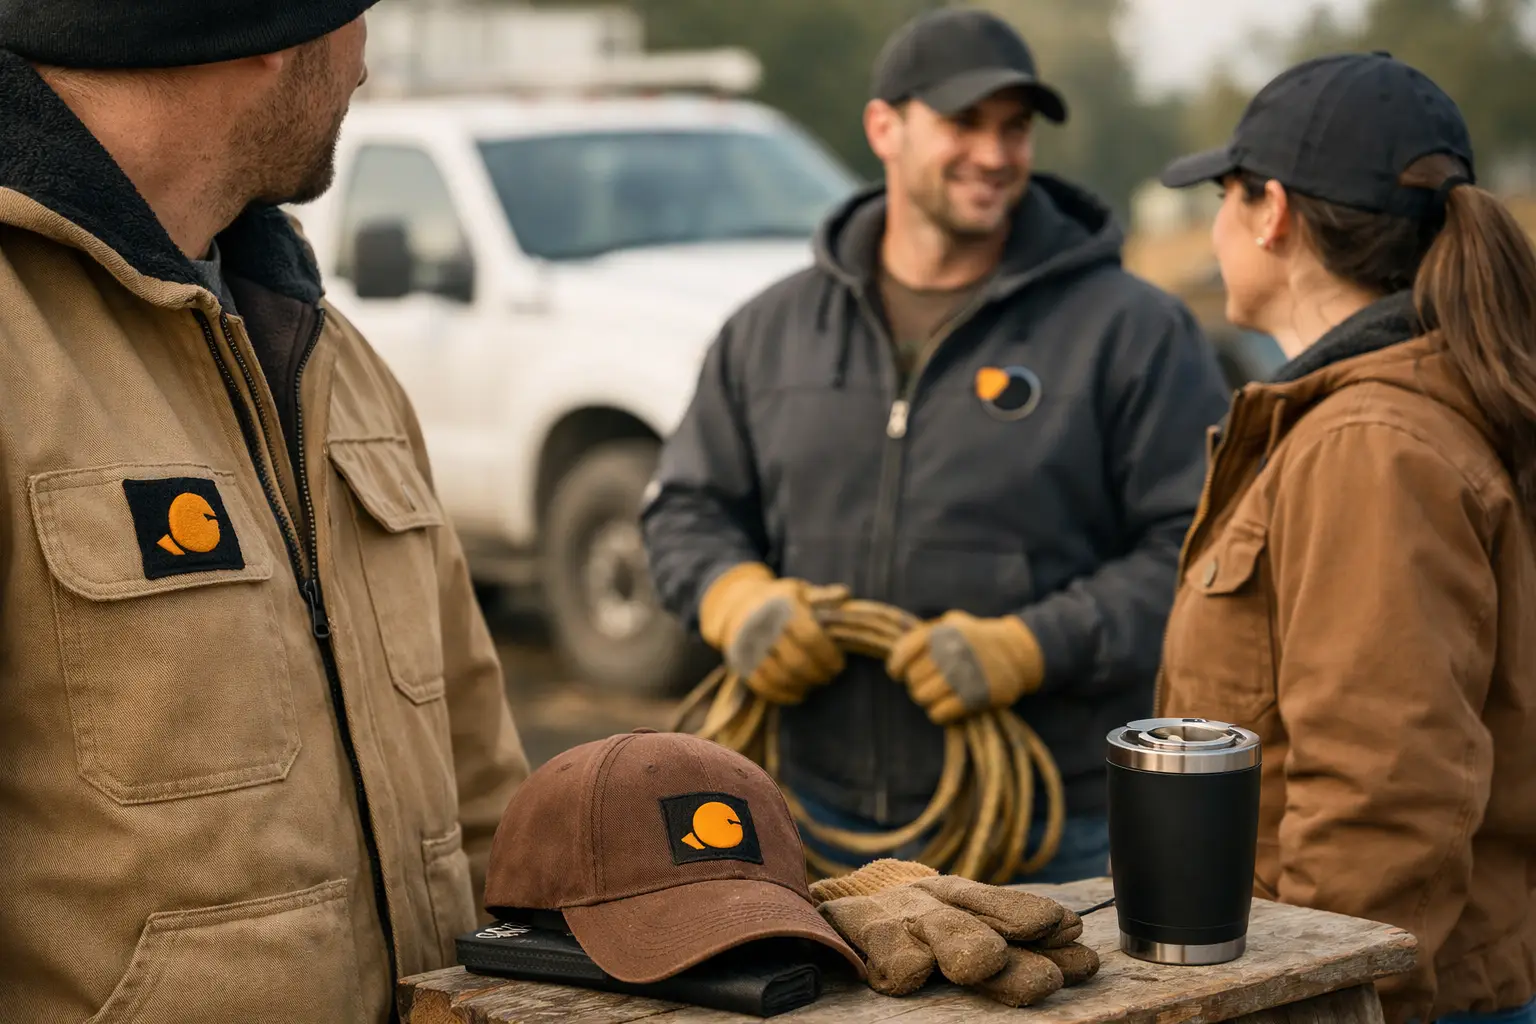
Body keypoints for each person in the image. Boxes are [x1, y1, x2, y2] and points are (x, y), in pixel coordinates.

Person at [0, 4, 528, 1021]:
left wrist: (718, 905)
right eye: (356, 15)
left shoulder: (343, 369)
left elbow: (489, 812)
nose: (365, 62)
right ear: (270, 29)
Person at [641, 7, 1229, 882]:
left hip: (1053, 832)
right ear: (885, 126)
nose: (995, 154)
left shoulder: (1132, 332)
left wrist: (1032, 646)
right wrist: (736, 601)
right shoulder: (770, 332)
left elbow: (1195, 552)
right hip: (810, 813)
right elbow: (686, 507)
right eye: (964, 123)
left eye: (1015, 128)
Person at [1155, 52, 1536, 1024]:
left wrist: (1318, 1002)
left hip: (1378, 1000)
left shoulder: (1370, 446)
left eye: (1223, 194)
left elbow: (1383, 791)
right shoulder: (1385, 419)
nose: (1216, 222)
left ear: (1271, 213)